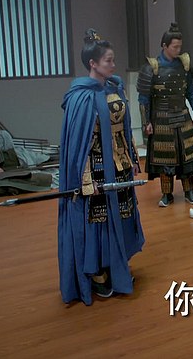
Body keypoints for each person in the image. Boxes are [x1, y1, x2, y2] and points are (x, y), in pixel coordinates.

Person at [57, 28, 145, 305]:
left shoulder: (114, 87)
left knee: (123, 214)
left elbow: (125, 128)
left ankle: (118, 265)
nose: (113, 65)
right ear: (93, 63)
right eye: (108, 60)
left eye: (113, 59)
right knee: (98, 221)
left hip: (119, 165)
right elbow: (78, 144)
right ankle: (98, 274)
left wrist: (132, 158)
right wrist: (85, 180)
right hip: (94, 169)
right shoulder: (80, 97)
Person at [137, 22, 193, 207]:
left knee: (187, 155)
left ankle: (189, 191)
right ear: (164, 46)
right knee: (164, 157)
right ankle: (166, 194)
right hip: (161, 118)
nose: (178, 50)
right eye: (175, 47)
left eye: (179, 46)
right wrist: (146, 122)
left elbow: (191, 91)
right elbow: (143, 99)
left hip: (182, 115)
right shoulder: (151, 67)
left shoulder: (185, 65)